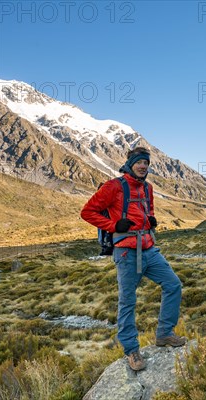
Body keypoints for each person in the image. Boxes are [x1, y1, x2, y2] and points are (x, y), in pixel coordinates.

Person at [81, 147, 186, 371]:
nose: (143, 166)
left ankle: (164, 334)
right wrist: (113, 226)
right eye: (139, 162)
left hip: (149, 249)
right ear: (130, 163)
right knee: (127, 302)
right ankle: (132, 351)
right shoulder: (113, 186)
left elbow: (145, 214)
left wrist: (150, 222)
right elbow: (87, 212)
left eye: (146, 163)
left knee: (173, 284)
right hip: (127, 252)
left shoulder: (148, 189)